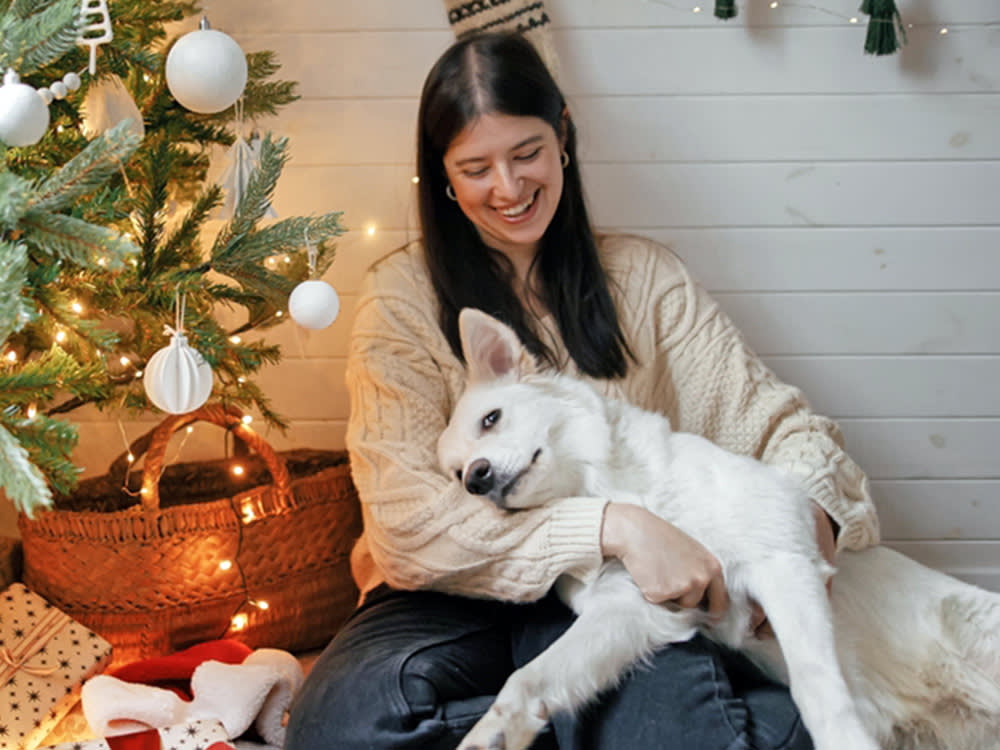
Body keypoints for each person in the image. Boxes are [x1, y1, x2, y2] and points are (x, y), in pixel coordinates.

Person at [286, 31, 880, 750]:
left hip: (620, 593)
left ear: (562, 135)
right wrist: (616, 525)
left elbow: (786, 432)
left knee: (681, 729)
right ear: (443, 176)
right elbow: (406, 525)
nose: (507, 188)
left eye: (527, 153)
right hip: (450, 596)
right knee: (339, 726)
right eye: (476, 168)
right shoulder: (400, 297)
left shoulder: (645, 278)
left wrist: (802, 543)